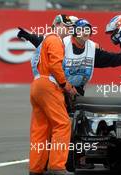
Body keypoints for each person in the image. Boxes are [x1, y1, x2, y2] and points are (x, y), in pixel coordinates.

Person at [17, 17, 121, 97]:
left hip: (78, 89)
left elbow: (111, 59)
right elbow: (43, 42)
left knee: (78, 120)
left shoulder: (92, 48)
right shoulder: (62, 43)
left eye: (88, 30)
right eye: (81, 30)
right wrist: (29, 37)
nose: (85, 33)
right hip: (59, 86)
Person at [29, 14, 77, 175]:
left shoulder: (45, 40)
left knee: (40, 128)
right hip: (49, 85)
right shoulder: (55, 40)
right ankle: (57, 166)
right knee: (62, 124)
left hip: (37, 85)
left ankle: (35, 168)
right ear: (56, 25)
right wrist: (65, 85)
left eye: (70, 27)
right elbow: (56, 66)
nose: (68, 30)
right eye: (66, 26)